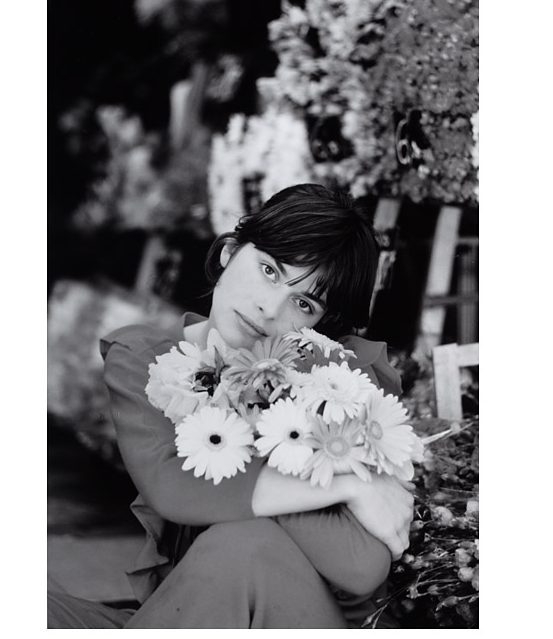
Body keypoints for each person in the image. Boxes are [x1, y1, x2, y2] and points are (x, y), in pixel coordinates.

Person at [48, 184, 415, 628]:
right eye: (269, 270)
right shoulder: (148, 361)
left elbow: (360, 566)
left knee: (244, 545)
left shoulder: (340, 379)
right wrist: (348, 486)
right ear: (229, 251)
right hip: (198, 612)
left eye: (304, 303)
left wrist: (269, 433)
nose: (268, 307)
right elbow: (171, 486)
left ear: (323, 322)